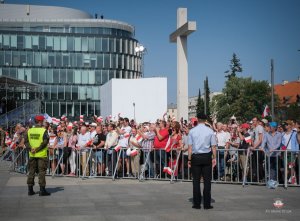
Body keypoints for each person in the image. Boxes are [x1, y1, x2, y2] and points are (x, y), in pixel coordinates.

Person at [188, 114, 217, 210]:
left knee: (196, 181)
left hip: (195, 157)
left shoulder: (192, 131)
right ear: (205, 120)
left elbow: (190, 147)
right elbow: (213, 146)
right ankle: (207, 204)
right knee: (207, 181)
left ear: (197, 119)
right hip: (206, 156)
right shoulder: (210, 131)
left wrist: (189, 159)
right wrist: (214, 158)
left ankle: (196, 204)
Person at [25, 115, 50, 196]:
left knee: (31, 171)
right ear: (40, 121)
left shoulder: (29, 130)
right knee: (41, 172)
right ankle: (42, 190)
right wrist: (37, 149)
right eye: (43, 120)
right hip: (41, 155)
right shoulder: (43, 131)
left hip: (32, 154)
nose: (44, 122)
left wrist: (31, 148)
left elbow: (26, 141)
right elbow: (45, 142)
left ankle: (30, 190)